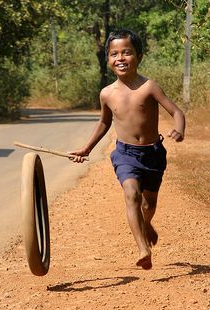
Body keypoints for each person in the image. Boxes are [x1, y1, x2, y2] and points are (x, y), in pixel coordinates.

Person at [69, 29, 185, 270]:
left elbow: (176, 112)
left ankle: (146, 222)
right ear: (108, 60)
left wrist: (179, 129)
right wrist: (87, 148)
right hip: (125, 154)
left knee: (148, 204)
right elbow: (104, 123)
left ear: (139, 56)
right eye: (114, 54)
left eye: (127, 52)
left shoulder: (149, 87)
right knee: (131, 193)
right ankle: (143, 248)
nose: (120, 58)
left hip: (153, 154)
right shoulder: (107, 94)